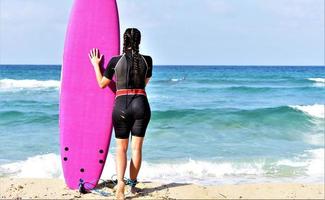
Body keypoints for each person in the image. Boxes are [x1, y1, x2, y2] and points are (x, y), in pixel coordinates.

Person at [88, 28, 152, 199]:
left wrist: (96, 65)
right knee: (137, 148)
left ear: (124, 41)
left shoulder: (115, 61)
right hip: (141, 104)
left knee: (120, 149)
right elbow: (145, 83)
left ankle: (121, 184)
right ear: (139, 41)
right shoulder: (147, 61)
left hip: (121, 106)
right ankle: (132, 184)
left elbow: (102, 83)